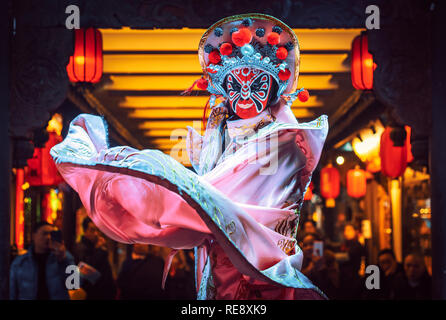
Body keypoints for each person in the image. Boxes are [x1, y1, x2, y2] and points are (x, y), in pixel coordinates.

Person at [50, 13, 329, 300]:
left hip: (262, 273)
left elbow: (215, 201)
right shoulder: (222, 134)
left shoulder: (284, 141)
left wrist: (144, 173)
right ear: (224, 89)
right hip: (215, 269)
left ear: (272, 88)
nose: (245, 94)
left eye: (256, 84)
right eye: (236, 84)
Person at [10, 222, 74, 300]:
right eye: (45, 233)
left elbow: (75, 284)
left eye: (52, 234)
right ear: (34, 236)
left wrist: (63, 259)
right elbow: (12, 291)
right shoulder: (21, 262)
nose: (48, 237)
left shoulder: (64, 257)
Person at [73, 217, 117, 299]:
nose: (96, 233)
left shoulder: (97, 246)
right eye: (92, 230)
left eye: (98, 230)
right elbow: (87, 271)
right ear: (85, 231)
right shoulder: (81, 248)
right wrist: (100, 251)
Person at [337, 223, 364, 299]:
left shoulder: (357, 245)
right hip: (344, 279)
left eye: (349, 230)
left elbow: (348, 256)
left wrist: (332, 256)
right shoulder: (345, 244)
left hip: (354, 279)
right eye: (345, 230)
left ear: (355, 231)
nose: (346, 233)